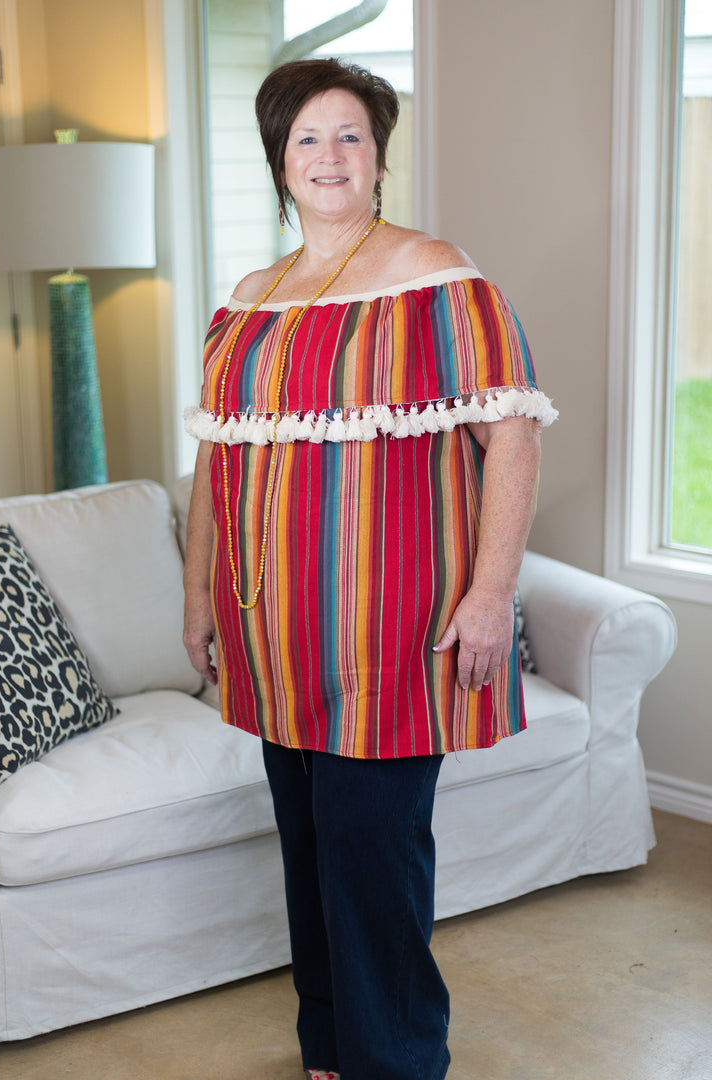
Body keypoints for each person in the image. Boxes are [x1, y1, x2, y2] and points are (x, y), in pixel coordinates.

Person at [183, 58, 557, 1080]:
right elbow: (218, 460)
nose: (330, 155)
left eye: (350, 134)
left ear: (380, 157)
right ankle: (331, 1048)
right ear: (279, 164)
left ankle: (395, 1059)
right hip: (271, 632)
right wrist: (196, 596)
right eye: (307, 138)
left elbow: (513, 440)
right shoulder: (249, 302)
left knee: (373, 858)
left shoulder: (439, 278)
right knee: (306, 850)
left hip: (389, 632)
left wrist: (490, 594)